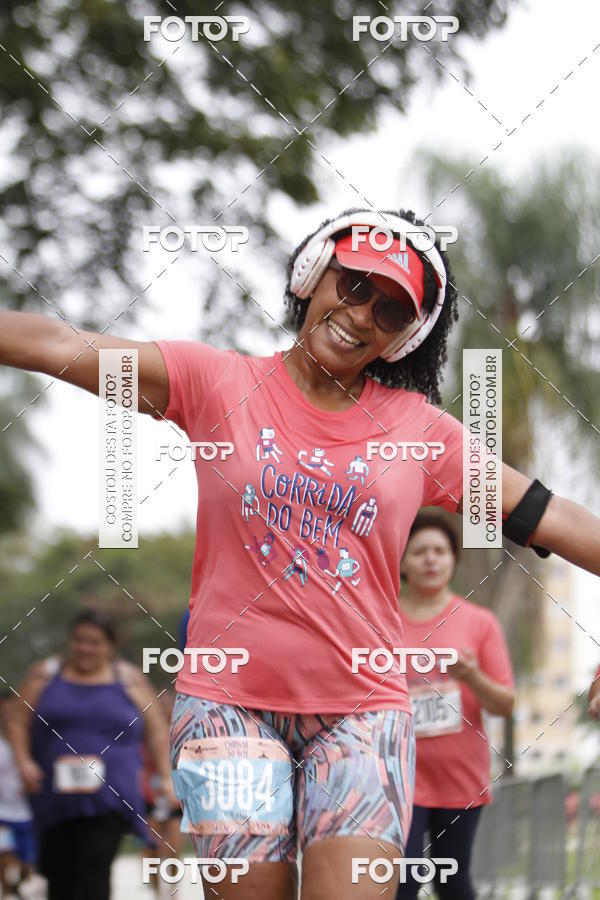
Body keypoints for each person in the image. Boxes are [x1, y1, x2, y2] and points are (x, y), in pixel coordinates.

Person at [1, 207, 599, 899]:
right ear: (313, 277)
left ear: (406, 336)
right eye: (352, 286)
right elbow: (54, 342)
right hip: (228, 709)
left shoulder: (421, 433)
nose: (362, 314)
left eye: (390, 308)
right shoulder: (215, 382)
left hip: (362, 713)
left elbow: (553, 516)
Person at [5, 608, 174, 900]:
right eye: (79, 640)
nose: (85, 648)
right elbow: (17, 719)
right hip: (53, 794)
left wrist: (166, 777)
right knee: (58, 871)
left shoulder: (129, 680)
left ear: (110, 646)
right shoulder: (44, 675)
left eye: (94, 642)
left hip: (110, 793)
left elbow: (156, 730)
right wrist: (23, 762)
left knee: (94, 866)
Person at [396, 512, 514, 900]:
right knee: (402, 883)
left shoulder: (479, 623)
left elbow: (506, 704)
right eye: (419, 552)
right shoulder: (380, 622)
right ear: (400, 561)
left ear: (453, 560)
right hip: (397, 779)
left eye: (440, 551)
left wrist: (472, 676)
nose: (430, 559)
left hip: (460, 781)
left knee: (452, 884)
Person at [0, 693, 37, 898]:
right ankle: (5, 893)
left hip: (26, 812)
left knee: (26, 861)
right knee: (3, 857)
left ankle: (19, 885)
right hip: (2, 812)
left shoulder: (31, 745)